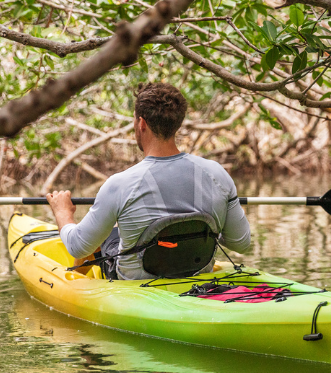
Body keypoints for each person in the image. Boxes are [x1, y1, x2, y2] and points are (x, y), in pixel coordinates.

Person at [46, 82, 251, 280]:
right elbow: (241, 243)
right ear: (177, 124)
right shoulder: (218, 174)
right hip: (197, 276)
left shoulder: (119, 185)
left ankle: (73, 278)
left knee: (106, 236)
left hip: (135, 286)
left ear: (141, 123)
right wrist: (207, 232)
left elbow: (77, 246)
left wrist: (63, 212)